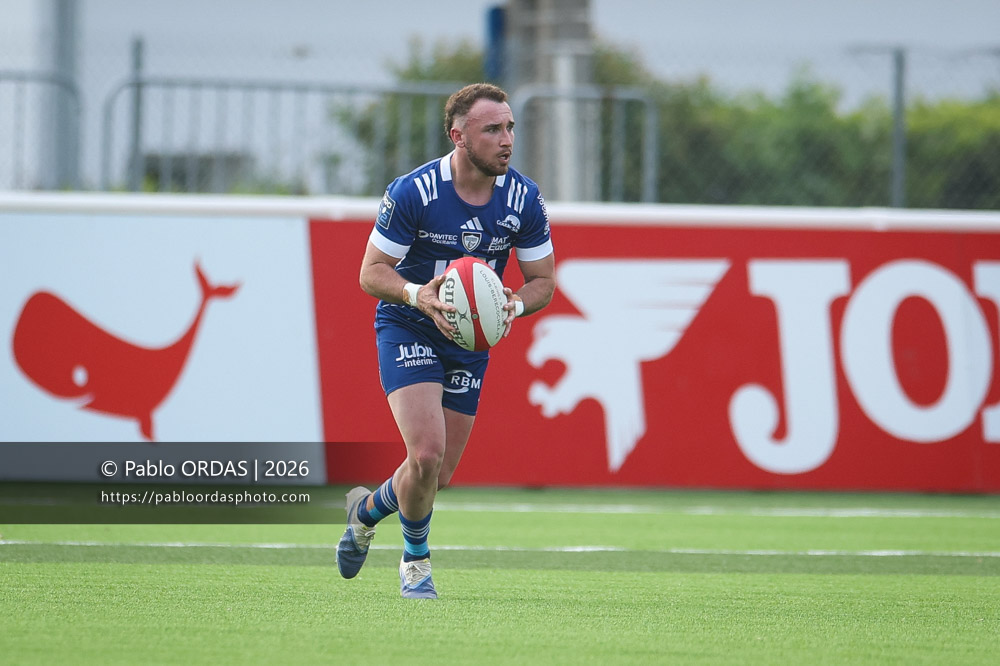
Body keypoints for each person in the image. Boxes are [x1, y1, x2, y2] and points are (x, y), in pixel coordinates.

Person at [336, 82, 556, 599]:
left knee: (438, 475)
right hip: (409, 322)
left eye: (510, 128)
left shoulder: (522, 197)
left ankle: (365, 511)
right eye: (492, 130)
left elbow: (543, 279)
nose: (507, 140)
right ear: (459, 136)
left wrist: (513, 305)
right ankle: (416, 565)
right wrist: (417, 295)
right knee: (427, 453)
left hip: (469, 339)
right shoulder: (415, 192)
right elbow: (371, 273)